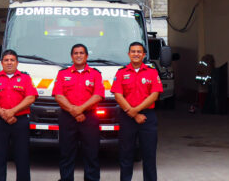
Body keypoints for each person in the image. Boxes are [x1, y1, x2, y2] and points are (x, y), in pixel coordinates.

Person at [0, 49, 38, 181]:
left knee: (22, 155)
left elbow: (30, 98)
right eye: (6, 60)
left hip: (20, 122)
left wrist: (12, 112)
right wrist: (4, 114)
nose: (9, 63)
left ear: (17, 63)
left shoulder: (25, 78)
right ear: (1, 63)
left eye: (12, 60)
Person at [111, 41, 163, 181]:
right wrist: (132, 112)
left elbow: (155, 95)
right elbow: (117, 95)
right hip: (127, 117)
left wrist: (136, 111)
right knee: (126, 154)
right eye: (133, 51)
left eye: (139, 51)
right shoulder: (121, 72)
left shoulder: (152, 72)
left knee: (149, 155)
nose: (136, 54)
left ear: (144, 55)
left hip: (147, 117)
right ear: (129, 54)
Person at [52, 43, 105, 181]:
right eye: (75, 53)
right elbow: (58, 95)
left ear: (86, 56)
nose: (78, 55)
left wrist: (80, 109)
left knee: (91, 153)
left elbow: (98, 95)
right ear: (71, 56)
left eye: (81, 53)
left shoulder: (95, 74)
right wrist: (73, 111)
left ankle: (92, 179)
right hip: (67, 118)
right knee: (66, 153)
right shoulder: (63, 74)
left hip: (89, 118)